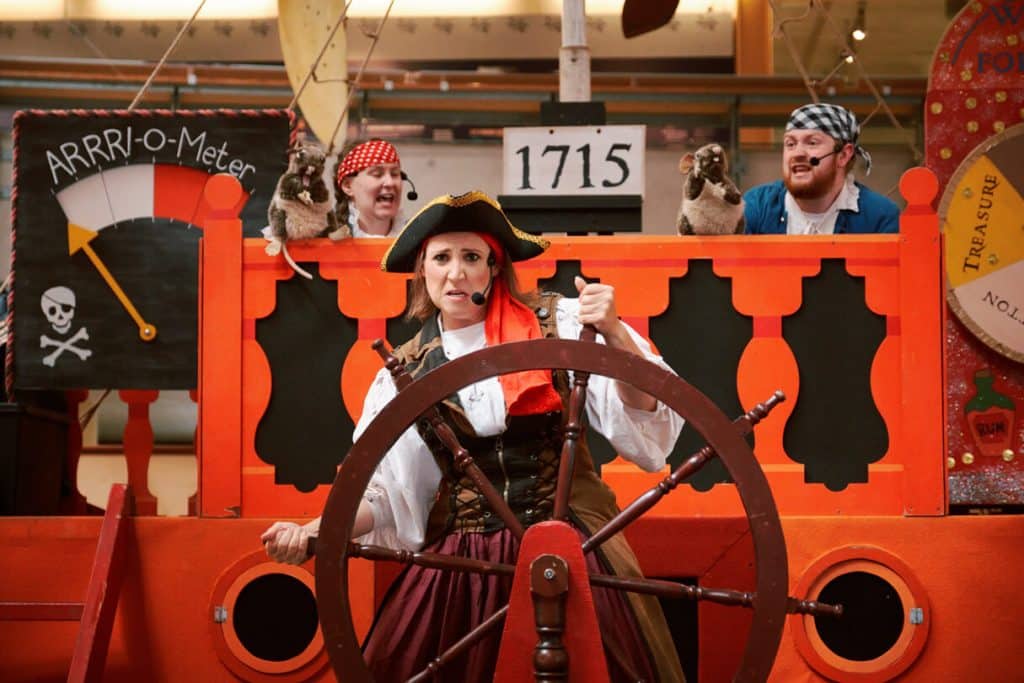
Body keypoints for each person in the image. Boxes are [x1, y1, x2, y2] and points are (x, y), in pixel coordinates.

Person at [262, 191, 686, 682]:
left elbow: (643, 430)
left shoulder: (561, 325)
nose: (456, 273)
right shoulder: (407, 373)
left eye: (471, 257)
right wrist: (315, 531)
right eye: (442, 258)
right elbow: (387, 493)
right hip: (469, 562)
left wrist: (614, 333)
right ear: (423, 270)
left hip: (572, 544)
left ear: (494, 268)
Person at [743, 102, 900, 234]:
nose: (797, 153)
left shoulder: (880, 218)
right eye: (790, 144)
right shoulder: (756, 206)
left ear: (844, 155)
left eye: (812, 143)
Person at [333, 138, 406, 237]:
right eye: (377, 174)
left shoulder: (419, 242)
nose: (390, 182)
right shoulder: (324, 243)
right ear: (348, 186)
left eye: (394, 174)